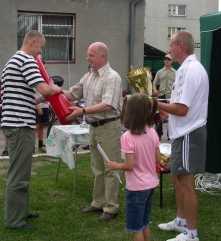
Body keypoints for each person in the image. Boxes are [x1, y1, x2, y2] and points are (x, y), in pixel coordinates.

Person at [1, 30, 61, 230]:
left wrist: (43, 98)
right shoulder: (27, 61)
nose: (40, 53)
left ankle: (20, 211)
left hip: (14, 123)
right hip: (20, 125)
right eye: (41, 48)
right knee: (19, 175)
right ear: (33, 43)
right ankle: (14, 221)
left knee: (21, 171)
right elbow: (45, 88)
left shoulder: (12, 61)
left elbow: (28, 96)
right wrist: (56, 90)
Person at [157, 31, 209, 241]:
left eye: (170, 46)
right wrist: (164, 109)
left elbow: (182, 109)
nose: (168, 50)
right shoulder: (184, 69)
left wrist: (153, 104)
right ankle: (181, 221)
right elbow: (177, 103)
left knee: (186, 184)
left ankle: (192, 233)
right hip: (182, 133)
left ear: (180, 47)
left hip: (189, 132)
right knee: (177, 179)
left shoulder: (191, 70)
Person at [63, 42, 123, 222]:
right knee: (97, 168)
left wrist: (82, 111)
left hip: (108, 127)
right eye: (88, 55)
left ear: (103, 57)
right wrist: (53, 90)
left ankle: (111, 207)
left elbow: (108, 104)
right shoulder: (89, 76)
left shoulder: (112, 77)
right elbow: (72, 94)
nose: (87, 58)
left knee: (110, 168)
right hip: (93, 127)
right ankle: (98, 202)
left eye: (91, 55)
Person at [107, 93, 161, 241]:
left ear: (129, 113)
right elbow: (157, 158)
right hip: (151, 185)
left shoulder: (127, 137)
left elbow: (130, 165)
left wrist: (116, 165)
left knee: (136, 227)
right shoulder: (153, 133)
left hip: (137, 188)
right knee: (145, 223)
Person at [152, 54, 176, 140]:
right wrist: (155, 90)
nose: (167, 61)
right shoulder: (159, 72)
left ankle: (171, 135)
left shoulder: (175, 73)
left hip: (171, 97)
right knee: (159, 116)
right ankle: (158, 135)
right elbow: (154, 83)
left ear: (172, 61)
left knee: (172, 117)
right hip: (161, 96)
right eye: (165, 59)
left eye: (169, 59)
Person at [35, 60, 50, 153]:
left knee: (41, 126)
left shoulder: (46, 78)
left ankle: (40, 145)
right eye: (43, 68)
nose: (45, 70)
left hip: (45, 106)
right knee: (34, 127)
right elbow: (31, 94)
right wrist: (37, 106)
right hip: (37, 106)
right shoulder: (35, 79)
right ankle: (31, 147)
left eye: (46, 69)